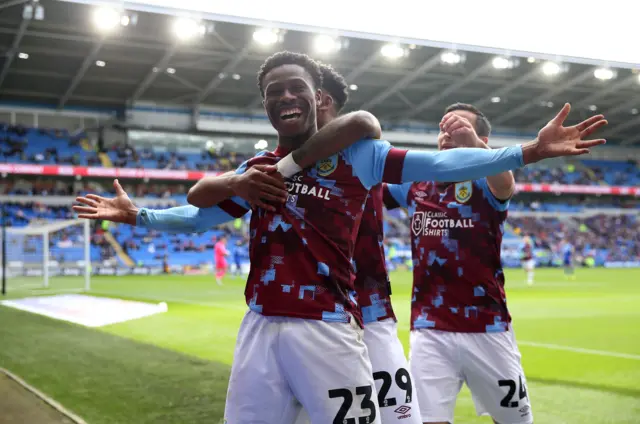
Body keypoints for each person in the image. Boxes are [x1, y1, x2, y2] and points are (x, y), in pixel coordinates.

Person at [73, 51, 607, 424]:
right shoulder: (259, 170)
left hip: (330, 326)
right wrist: (139, 215)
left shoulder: (359, 157)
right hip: (258, 325)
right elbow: (197, 215)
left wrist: (527, 153)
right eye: (274, 91)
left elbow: (441, 164)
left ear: (317, 98)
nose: (287, 97)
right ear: (265, 104)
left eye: (297, 89)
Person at [382, 103, 532, 424]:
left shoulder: (487, 182)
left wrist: (474, 146)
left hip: (488, 328)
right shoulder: (416, 183)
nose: (449, 136)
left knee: (515, 421)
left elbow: (505, 183)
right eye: (445, 130)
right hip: (429, 329)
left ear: (484, 139)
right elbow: (368, 189)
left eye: (460, 128)